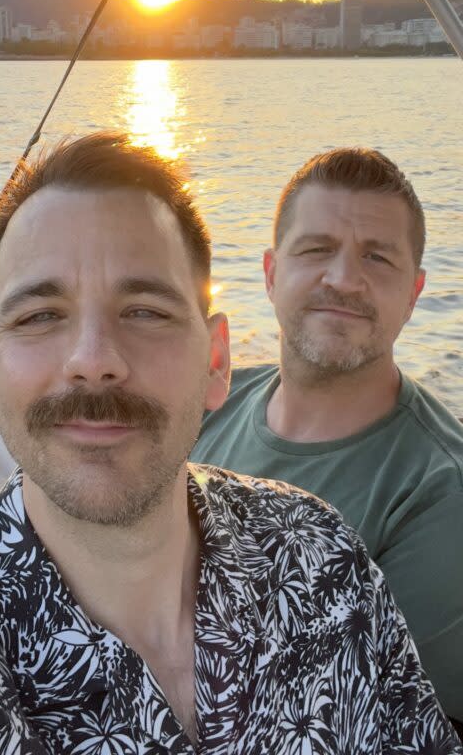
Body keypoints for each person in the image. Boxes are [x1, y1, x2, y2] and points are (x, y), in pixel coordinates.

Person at [0, 133, 460, 755]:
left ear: (216, 361)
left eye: (145, 311)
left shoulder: (322, 553)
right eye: (40, 315)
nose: (93, 360)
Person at [193, 146, 463, 729]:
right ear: (270, 274)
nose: (343, 279)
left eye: (377, 258)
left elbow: (385, 727)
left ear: (414, 295)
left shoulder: (438, 491)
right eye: (317, 250)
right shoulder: (207, 403)